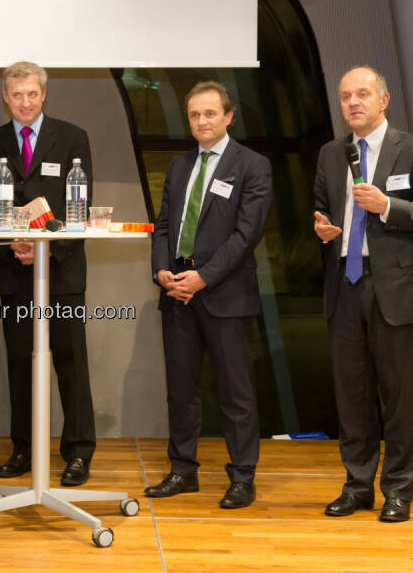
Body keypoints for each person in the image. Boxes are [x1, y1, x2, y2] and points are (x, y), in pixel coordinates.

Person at [313, 66, 413, 522]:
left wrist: (388, 206)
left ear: (383, 100)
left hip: (396, 288)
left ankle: (397, 491)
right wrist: (322, 227)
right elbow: (320, 207)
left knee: (399, 398)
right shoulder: (331, 154)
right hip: (345, 285)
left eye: (362, 94)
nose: (353, 102)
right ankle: (357, 486)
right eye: (346, 96)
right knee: (352, 397)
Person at [0, 60, 96, 486]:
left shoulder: (73, 137)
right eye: (16, 94)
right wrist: (17, 242)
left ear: (44, 94)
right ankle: (24, 448)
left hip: (60, 271)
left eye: (32, 93)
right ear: (5, 96)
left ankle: (78, 454)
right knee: (21, 364)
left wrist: (45, 247)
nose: (25, 101)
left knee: (70, 363)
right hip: (14, 270)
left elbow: (80, 207)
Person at [147, 80, 271, 509]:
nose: (201, 121)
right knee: (180, 389)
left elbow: (246, 235)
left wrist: (204, 277)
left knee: (236, 391)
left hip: (225, 293)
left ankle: (241, 477)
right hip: (176, 292)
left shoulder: (252, 165)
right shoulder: (179, 166)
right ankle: (182, 471)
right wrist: (162, 270)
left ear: (229, 116)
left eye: (210, 114)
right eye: (195, 115)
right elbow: (163, 224)